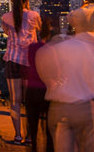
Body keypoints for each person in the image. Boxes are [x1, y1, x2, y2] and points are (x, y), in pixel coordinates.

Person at [35, 32, 94, 152]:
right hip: (82, 108)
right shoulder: (84, 50)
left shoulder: (44, 52)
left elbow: (45, 79)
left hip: (57, 108)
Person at [1, 0, 41, 145]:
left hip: (12, 61)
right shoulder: (33, 15)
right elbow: (39, 28)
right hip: (29, 63)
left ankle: (18, 136)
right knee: (30, 102)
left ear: (12, 1)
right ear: (27, 0)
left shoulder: (6, 17)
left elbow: (6, 33)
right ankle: (30, 137)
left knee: (15, 101)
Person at [26, 17, 54, 152]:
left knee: (33, 125)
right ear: (49, 34)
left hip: (31, 90)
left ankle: (34, 147)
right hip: (45, 91)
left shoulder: (31, 48)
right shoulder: (50, 50)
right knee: (48, 127)